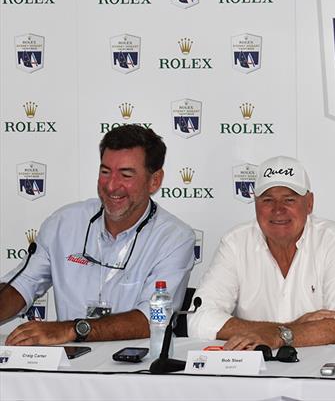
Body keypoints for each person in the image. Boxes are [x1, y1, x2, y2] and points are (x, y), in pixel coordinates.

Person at [0, 125, 195, 345]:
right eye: (105, 172)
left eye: (126, 174)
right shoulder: (64, 223)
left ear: (155, 180)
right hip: (67, 366)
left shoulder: (175, 238)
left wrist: (73, 329)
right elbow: (22, 285)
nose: (111, 185)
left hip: (137, 369)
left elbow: (151, 318)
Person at [188, 156, 335, 350]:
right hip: (251, 371)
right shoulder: (235, 242)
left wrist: (276, 336)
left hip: (319, 373)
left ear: (309, 203)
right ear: (255, 203)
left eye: (289, 200)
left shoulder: (331, 239)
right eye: (267, 200)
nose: (278, 209)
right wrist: (289, 330)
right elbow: (199, 319)